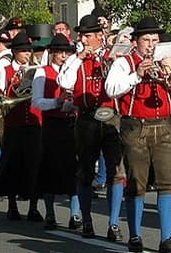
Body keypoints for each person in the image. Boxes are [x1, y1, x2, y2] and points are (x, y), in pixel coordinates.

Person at [105, 17, 171, 253]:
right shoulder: (124, 63)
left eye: (155, 41)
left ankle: (167, 238)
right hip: (135, 126)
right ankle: (135, 235)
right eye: (147, 40)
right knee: (137, 183)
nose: (151, 45)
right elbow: (111, 89)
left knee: (168, 182)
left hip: (165, 125)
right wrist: (137, 75)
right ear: (136, 42)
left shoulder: (168, 61)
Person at [56, 14, 125, 241]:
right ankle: (86, 220)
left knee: (116, 171)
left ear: (99, 36)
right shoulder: (75, 60)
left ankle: (114, 223)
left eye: (87, 35)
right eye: (81, 35)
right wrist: (78, 57)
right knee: (85, 171)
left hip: (111, 116)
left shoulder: (113, 55)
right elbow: (64, 82)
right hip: (85, 118)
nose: (83, 39)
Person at [0, 32, 44, 222]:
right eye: (23, 51)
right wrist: (17, 83)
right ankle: (12, 206)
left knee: (34, 164)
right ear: (14, 52)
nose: (27, 55)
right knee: (12, 164)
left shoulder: (36, 68)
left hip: (34, 122)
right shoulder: (6, 69)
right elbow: (1, 92)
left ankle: (33, 207)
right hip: (14, 123)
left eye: (28, 51)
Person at [31, 33, 80, 230]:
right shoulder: (42, 72)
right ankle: (50, 213)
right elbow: (36, 102)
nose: (63, 56)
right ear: (52, 53)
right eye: (59, 52)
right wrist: (56, 102)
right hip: (51, 125)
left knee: (74, 171)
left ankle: (75, 214)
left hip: (71, 124)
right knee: (49, 171)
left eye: (66, 52)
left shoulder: (75, 70)